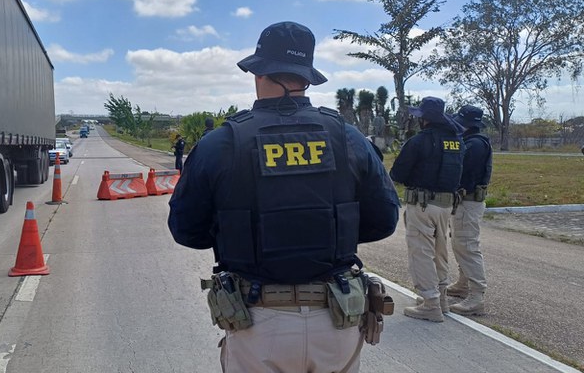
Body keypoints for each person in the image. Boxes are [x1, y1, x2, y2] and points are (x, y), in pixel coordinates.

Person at [168, 21, 399, 372]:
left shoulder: (220, 143)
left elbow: (186, 230)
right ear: (307, 76)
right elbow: (384, 221)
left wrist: (239, 234)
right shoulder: (348, 138)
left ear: (258, 71)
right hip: (337, 320)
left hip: (257, 323)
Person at [389, 96, 464, 323]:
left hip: (422, 205)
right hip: (446, 205)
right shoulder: (456, 141)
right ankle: (441, 299)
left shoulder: (419, 141)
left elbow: (397, 174)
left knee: (421, 253)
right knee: (440, 252)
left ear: (425, 119)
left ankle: (430, 303)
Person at [448, 105, 492, 315]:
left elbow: (463, 174)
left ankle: (476, 296)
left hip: (468, 201)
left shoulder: (474, 145)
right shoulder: (472, 142)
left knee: (467, 245)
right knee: (460, 244)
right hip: (465, 201)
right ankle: (463, 284)